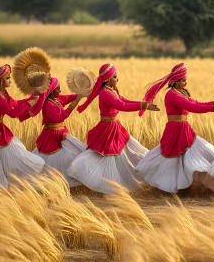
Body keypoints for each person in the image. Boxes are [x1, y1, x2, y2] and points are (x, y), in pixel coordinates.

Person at [67, 63, 159, 194]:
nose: (117, 79)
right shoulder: (105, 93)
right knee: (110, 157)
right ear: (107, 80)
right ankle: (104, 183)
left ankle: (143, 172)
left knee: (129, 151)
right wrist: (143, 105)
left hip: (115, 127)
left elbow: (124, 100)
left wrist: (145, 105)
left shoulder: (112, 91)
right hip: (107, 129)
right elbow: (121, 105)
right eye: (115, 77)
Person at [135, 63, 214, 193]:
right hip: (175, 130)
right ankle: (172, 186)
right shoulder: (172, 95)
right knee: (174, 158)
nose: (185, 83)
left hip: (184, 129)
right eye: (183, 80)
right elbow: (192, 107)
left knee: (187, 156)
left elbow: (196, 103)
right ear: (176, 81)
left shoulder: (182, 93)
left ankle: (187, 186)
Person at [31, 77, 85, 187]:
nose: (60, 91)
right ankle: (55, 184)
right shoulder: (47, 105)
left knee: (74, 154)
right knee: (54, 162)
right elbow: (58, 118)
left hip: (62, 134)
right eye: (58, 89)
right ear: (51, 91)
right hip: (52, 138)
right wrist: (73, 105)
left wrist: (82, 93)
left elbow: (70, 97)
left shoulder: (57, 99)